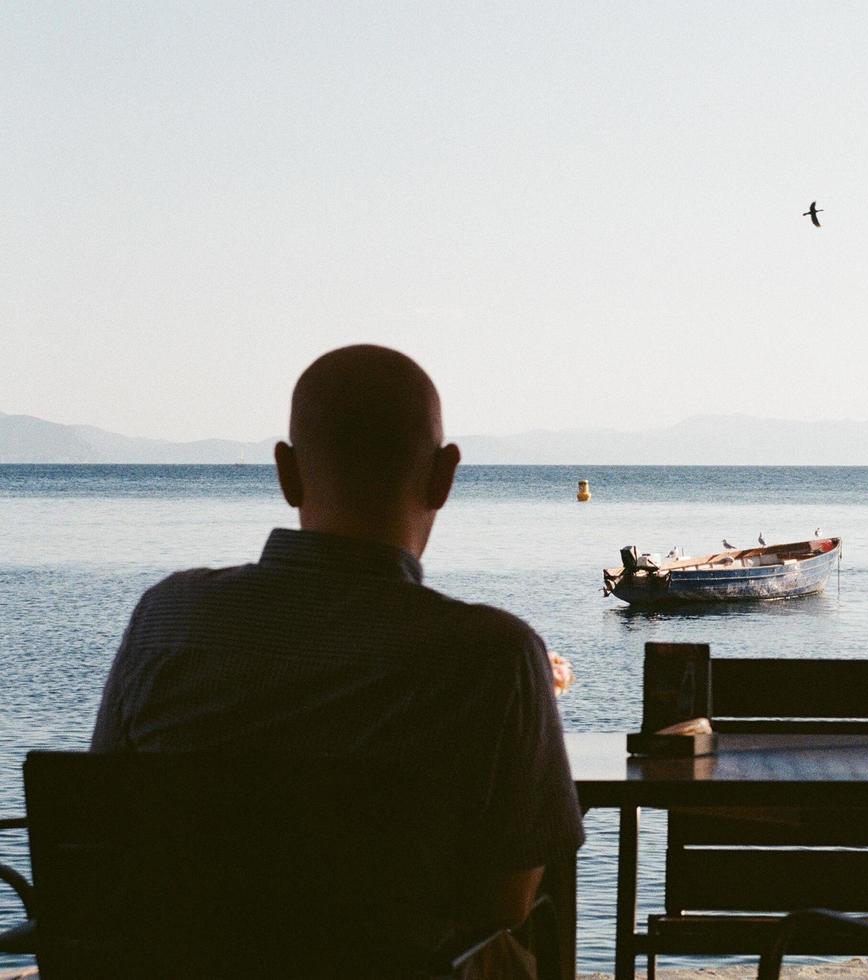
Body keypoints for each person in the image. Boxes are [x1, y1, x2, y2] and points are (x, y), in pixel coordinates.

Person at [91, 344, 583, 971]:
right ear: (444, 477)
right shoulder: (494, 656)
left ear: (286, 473)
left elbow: (104, 830)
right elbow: (505, 899)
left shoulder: (165, 619)